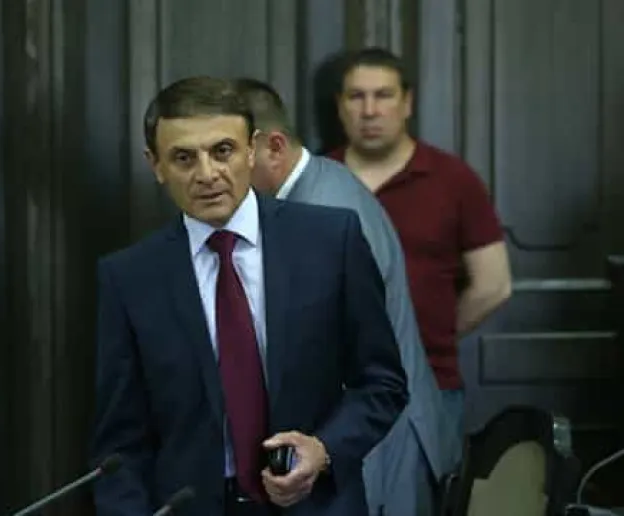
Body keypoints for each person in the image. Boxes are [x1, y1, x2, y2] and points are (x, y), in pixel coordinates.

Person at [90, 76, 408, 516]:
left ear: (252, 150)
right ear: (156, 165)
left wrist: (324, 449)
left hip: (316, 504)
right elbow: (120, 444)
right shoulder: (129, 277)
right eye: (184, 158)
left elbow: (382, 383)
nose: (207, 174)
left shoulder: (331, 240)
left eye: (222, 151)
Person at [236, 77, 459, 515]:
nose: (218, 174)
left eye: (231, 154)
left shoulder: (322, 210)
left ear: (272, 147)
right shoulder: (324, 182)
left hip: (380, 444)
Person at [327, 47, 512, 438]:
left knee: (432, 479)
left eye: (383, 95)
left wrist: (424, 338)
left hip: (430, 385)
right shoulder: (317, 180)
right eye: (357, 96)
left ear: (407, 102)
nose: (370, 111)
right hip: (334, 389)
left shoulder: (453, 180)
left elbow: (493, 285)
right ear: (340, 105)